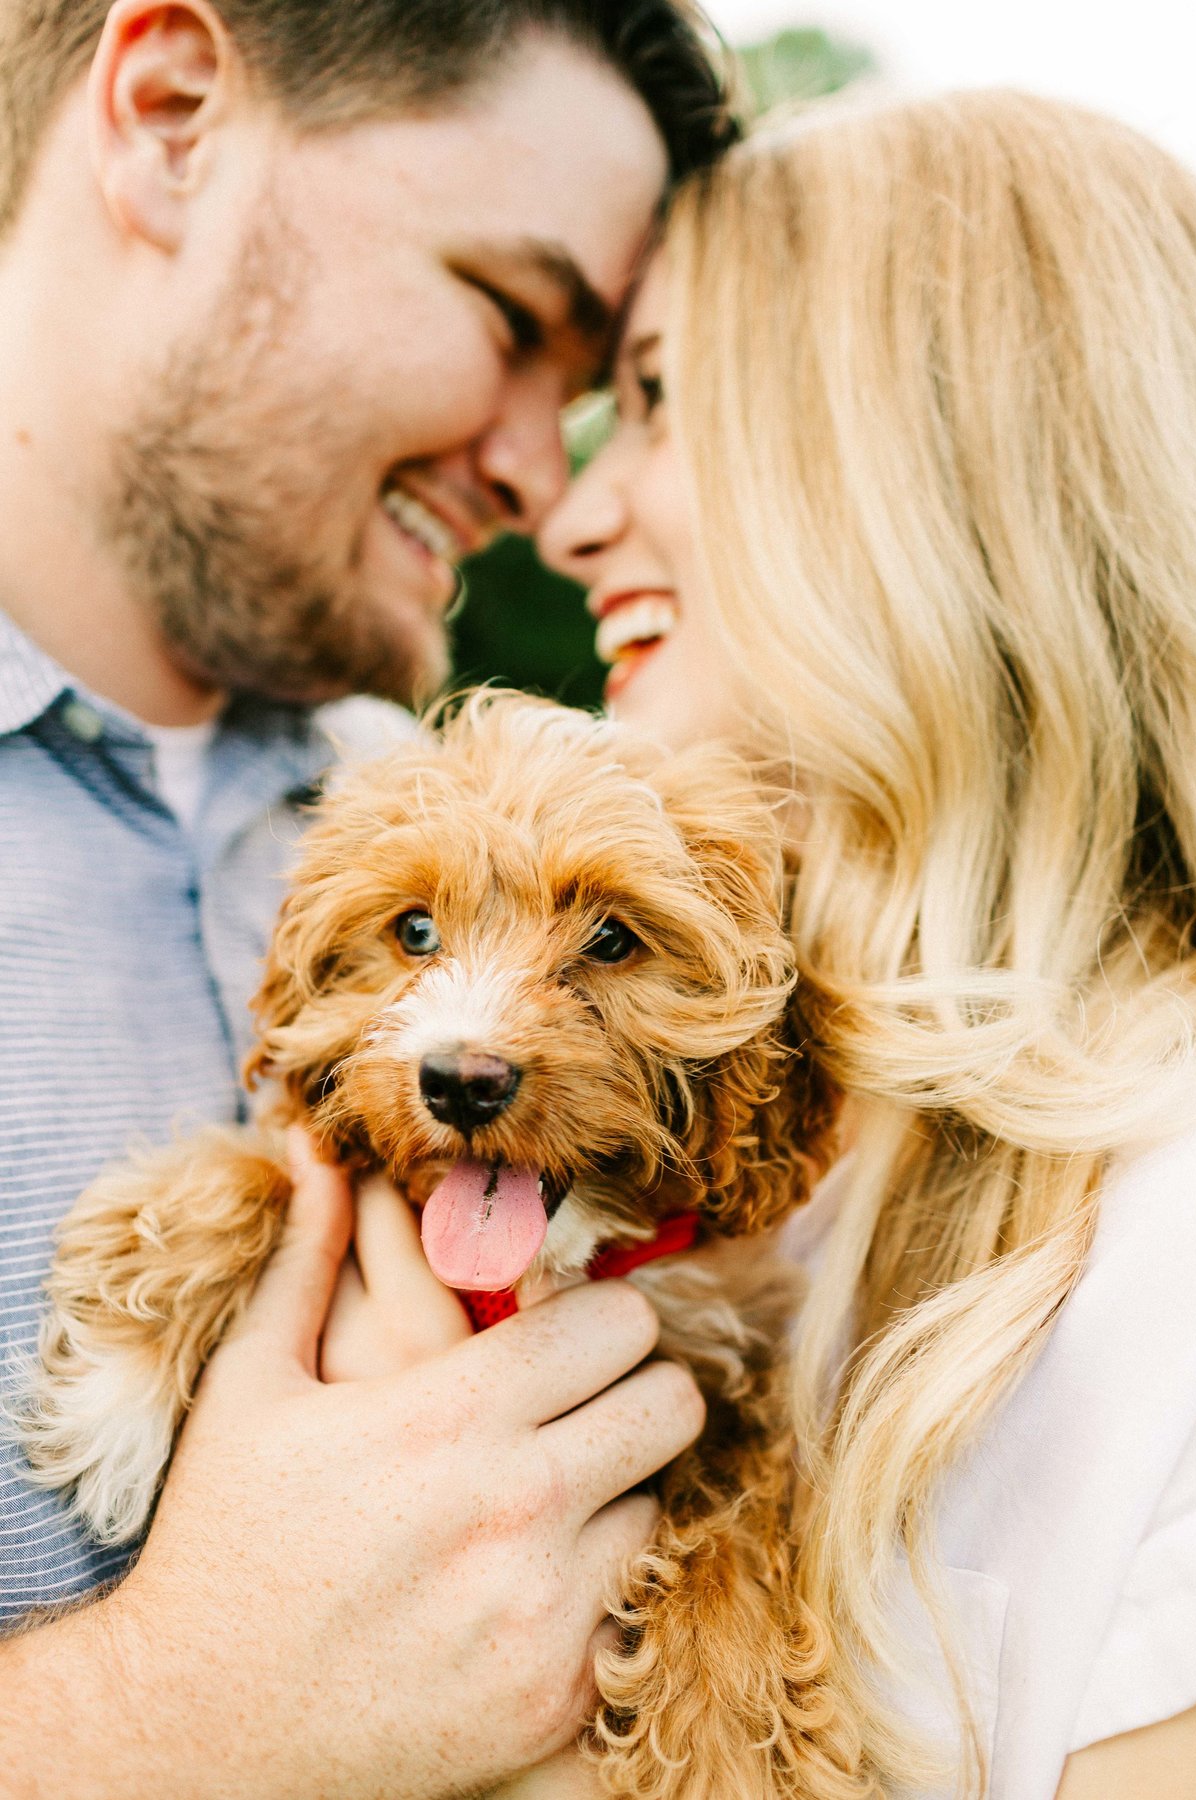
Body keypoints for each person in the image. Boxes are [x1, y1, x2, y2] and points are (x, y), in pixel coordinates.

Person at [0, 1, 735, 1792]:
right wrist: (161, 1713)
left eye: (594, 394)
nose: (540, 479)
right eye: (507, 318)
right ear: (171, 112)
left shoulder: (425, 805)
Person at [539, 89, 1196, 1798]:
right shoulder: (748, 1171)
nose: (570, 520)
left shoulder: (1170, 1231)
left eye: (666, 400)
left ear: (936, 440)